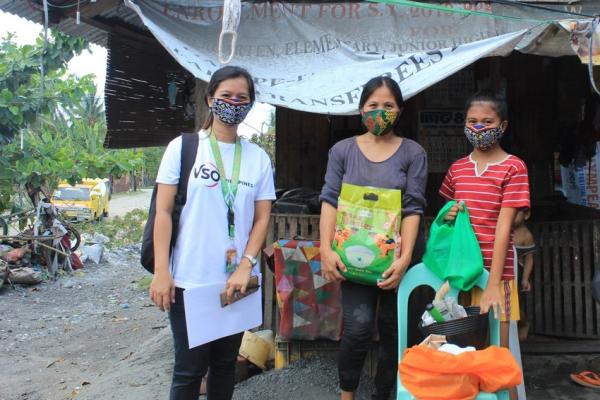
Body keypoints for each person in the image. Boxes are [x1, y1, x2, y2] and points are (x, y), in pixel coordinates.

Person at [149, 66, 275, 400]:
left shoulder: (258, 158)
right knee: (188, 371)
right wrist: (162, 271)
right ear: (210, 99)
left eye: (242, 98)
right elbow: (162, 212)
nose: (233, 104)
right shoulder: (184, 147)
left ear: (250, 105)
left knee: (223, 367)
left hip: (236, 281)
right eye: (226, 97)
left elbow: (262, 219)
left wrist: (247, 265)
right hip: (189, 281)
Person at [319, 76, 428, 400]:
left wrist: (405, 258)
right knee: (358, 327)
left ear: (400, 110)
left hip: (398, 260)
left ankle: (386, 394)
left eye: (388, 106)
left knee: (397, 330)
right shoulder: (342, 151)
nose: (380, 112)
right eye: (373, 105)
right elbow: (329, 200)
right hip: (352, 259)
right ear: (360, 109)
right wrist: (325, 249)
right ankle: (347, 394)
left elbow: (413, 207)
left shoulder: (413, 152)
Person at [440, 91, 530, 400]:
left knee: (499, 358)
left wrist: (492, 283)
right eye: (472, 122)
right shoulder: (456, 170)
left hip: (498, 275)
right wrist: (447, 214)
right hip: (462, 274)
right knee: (465, 352)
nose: (479, 128)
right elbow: (449, 220)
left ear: (502, 126)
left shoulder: (513, 167)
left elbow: (505, 227)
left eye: (487, 122)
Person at [513, 208, 535, 341]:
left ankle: (523, 323)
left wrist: (525, 279)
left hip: (517, 272)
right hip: (503, 271)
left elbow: (529, 259)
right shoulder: (501, 227)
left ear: (526, 215)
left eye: (516, 213)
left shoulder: (526, 235)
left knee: (515, 304)